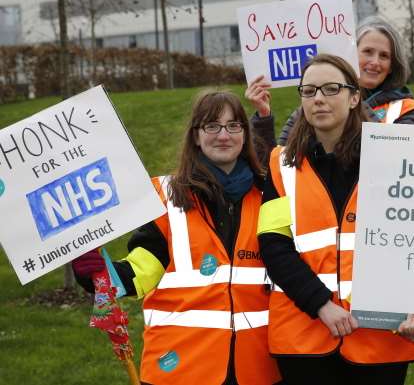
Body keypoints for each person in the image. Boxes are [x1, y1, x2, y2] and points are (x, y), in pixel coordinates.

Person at [72, 91, 281, 385]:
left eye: (234, 125)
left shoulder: (269, 197)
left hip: (258, 369)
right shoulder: (166, 197)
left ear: (245, 135)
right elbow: (139, 272)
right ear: (196, 136)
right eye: (211, 126)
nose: (224, 135)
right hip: (182, 369)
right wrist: (97, 271)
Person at [256, 53, 414, 385]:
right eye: (308, 91)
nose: (318, 99)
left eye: (330, 89)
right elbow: (274, 246)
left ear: (354, 98)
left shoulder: (400, 159)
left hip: (380, 337)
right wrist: (321, 304)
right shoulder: (281, 165)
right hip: (304, 334)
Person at [257, 16, 414, 146]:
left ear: (393, 65)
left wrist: (352, 97)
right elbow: (277, 169)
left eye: (384, 56)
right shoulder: (315, 103)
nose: (375, 62)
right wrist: (263, 117)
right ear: (351, 54)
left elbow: (399, 166)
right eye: (368, 51)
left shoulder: (406, 110)